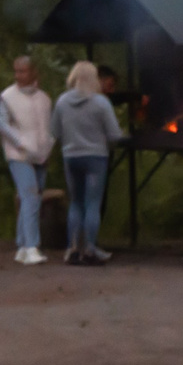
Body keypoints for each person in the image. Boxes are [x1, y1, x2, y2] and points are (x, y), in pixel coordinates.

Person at [51, 60, 124, 266]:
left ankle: (73, 248)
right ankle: (90, 249)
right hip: (95, 158)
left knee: (76, 202)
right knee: (92, 203)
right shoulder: (101, 103)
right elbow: (114, 134)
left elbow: (54, 131)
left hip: (71, 157)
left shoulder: (62, 102)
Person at [0, 57, 55, 266]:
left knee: (34, 198)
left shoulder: (44, 99)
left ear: (33, 72)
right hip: (19, 154)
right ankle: (32, 246)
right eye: (16, 72)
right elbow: (3, 125)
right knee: (29, 195)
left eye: (23, 71)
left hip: (41, 153)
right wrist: (21, 143)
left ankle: (22, 245)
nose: (18, 76)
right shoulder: (7, 96)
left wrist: (48, 148)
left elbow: (49, 127)